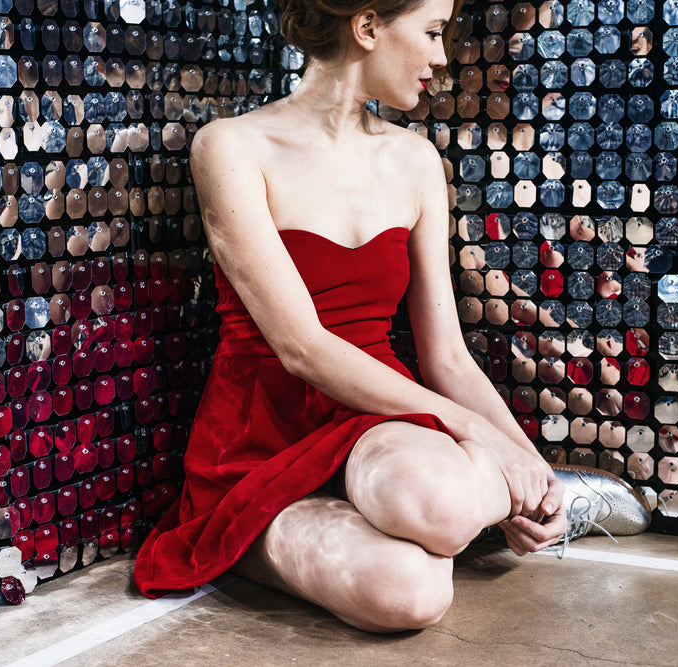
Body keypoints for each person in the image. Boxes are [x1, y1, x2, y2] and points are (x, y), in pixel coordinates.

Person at [134, 0, 648, 633]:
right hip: (259, 435)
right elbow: (302, 347)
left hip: (376, 419)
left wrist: (530, 469)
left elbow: (447, 358)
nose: (441, 55)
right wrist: (478, 437)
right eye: (432, 32)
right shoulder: (233, 147)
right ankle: (241, 528)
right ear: (369, 26)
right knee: (411, 597)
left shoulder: (415, 163)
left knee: (438, 502)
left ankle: (530, 489)